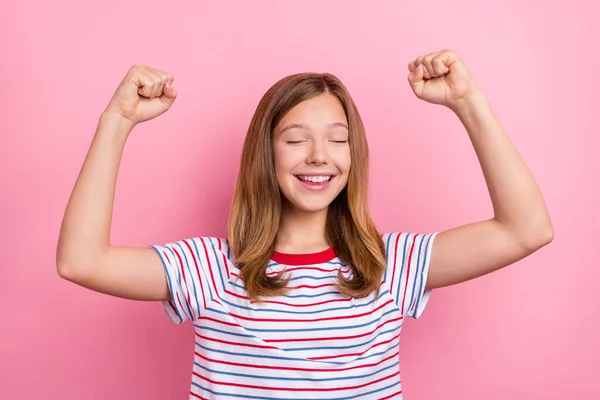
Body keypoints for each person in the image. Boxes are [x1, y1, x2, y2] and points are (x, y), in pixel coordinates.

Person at [57, 49, 553, 399]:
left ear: (354, 154)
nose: (319, 156)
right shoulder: (208, 268)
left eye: (338, 140)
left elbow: (526, 229)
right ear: (265, 153)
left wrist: (469, 103)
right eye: (296, 139)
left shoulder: (390, 264)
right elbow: (82, 262)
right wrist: (116, 122)